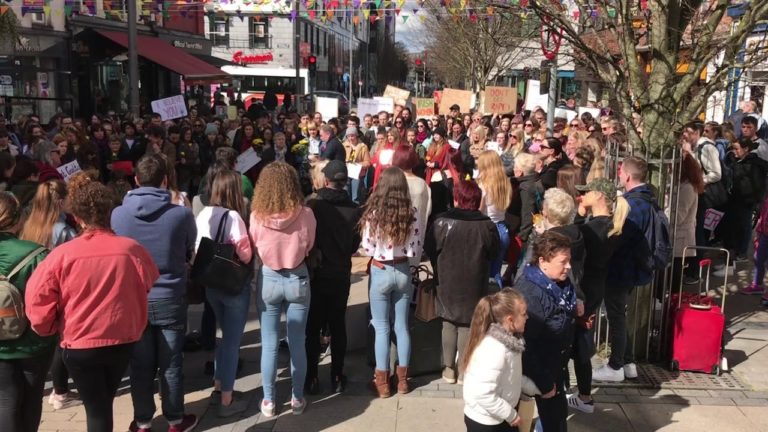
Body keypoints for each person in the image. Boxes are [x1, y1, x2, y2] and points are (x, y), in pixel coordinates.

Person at [26, 175, 159, 432]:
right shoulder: (132, 249)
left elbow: (37, 300)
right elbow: (148, 283)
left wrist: (49, 328)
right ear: (110, 212)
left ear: (77, 217)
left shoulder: (62, 255)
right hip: (122, 339)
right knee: (102, 404)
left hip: (80, 344)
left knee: (97, 408)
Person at [111, 154, 198, 432]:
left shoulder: (118, 214)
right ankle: (175, 419)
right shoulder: (181, 214)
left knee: (140, 365)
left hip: (134, 298)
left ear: (136, 180)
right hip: (170, 294)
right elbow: (189, 249)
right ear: (165, 180)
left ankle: (143, 421)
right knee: (171, 364)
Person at [249, 162, 317, 417]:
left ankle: (268, 401)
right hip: (297, 276)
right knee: (298, 342)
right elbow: (309, 244)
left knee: (269, 344)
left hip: (269, 277)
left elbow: (255, 243)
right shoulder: (306, 214)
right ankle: (297, 398)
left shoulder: (257, 215)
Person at [426, 179, 500, 385]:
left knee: (448, 322)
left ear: (457, 199)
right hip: (475, 280)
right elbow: (494, 252)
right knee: (468, 324)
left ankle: (449, 369)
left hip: (447, 278)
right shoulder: (487, 225)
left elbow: (430, 248)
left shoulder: (441, 222)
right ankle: (464, 369)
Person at [194, 169, 253, 417]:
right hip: (232, 286)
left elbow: (197, 247)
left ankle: (219, 385)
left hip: (211, 284)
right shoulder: (234, 217)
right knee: (231, 341)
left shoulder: (204, 213)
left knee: (223, 337)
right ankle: (227, 398)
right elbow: (246, 254)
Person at [360, 167, 423, 397]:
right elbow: (415, 248)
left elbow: (367, 247)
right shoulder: (412, 212)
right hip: (403, 268)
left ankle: (382, 381)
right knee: (402, 326)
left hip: (380, 268)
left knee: (381, 327)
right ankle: (403, 380)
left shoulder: (374, 213)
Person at [567, 178, 629, 414]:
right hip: (597, 287)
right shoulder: (614, 225)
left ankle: (581, 396)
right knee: (581, 340)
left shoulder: (592, 229)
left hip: (584, 289)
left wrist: (579, 215)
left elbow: (572, 238)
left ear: (600, 196)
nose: (583, 196)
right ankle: (583, 394)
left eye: (588, 192)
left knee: (574, 341)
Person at [594, 156, 654, 382]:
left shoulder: (631, 203)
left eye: (620, 172)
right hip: (632, 268)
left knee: (616, 316)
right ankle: (628, 362)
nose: (618, 176)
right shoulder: (647, 200)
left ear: (627, 175)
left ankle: (616, 365)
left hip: (621, 269)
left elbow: (621, 237)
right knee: (619, 315)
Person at [304, 161, 362, 395]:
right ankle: (337, 375)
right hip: (340, 272)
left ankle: (312, 377)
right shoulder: (355, 209)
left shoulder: (314, 205)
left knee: (313, 326)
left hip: (318, 272)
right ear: (344, 181)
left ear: (326, 180)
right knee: (337, 325)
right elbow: (355, 244)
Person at [0, 192, 54, 432]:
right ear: (17, 219)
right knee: (32, 399)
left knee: (5, 400)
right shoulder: (37, 254)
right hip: (33, 341)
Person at [517, 230, 576, 432]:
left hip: (554, 369)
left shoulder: (560, 285)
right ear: (543, 262)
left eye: (569, 260)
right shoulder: (531, 294)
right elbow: (523, 345)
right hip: (536, 374)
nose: (569, 266)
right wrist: (544, 383)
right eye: (563, 261)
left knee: (556, 422)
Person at [461, 289, 538, 432]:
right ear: (510, 320)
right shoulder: (495, 349)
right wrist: (511, 415)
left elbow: (512, 377)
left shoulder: (511, 343)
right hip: (486, 422)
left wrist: (536, 389)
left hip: (499, 417)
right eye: (523, 314)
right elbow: (482, 392)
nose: (527, 317)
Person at [476, 151, 513, 288]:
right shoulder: (505, 183)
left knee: (483, 272)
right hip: (502, 228)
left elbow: (480, 210)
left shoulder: (483, 185)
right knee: (495, 272)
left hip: (487, 228)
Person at [392, 144, 432, 267]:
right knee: (412, 274)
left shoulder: (391, 182)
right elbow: (427, 210)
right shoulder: (422, 185)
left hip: (393, 237)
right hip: (416, 237)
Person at [672, 153, 704, 286]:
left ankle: (671, 302)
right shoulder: (683, 185)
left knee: (674, 274)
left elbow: (679, 216)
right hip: (677, 235)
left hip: (680, 236)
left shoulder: (687, 188)